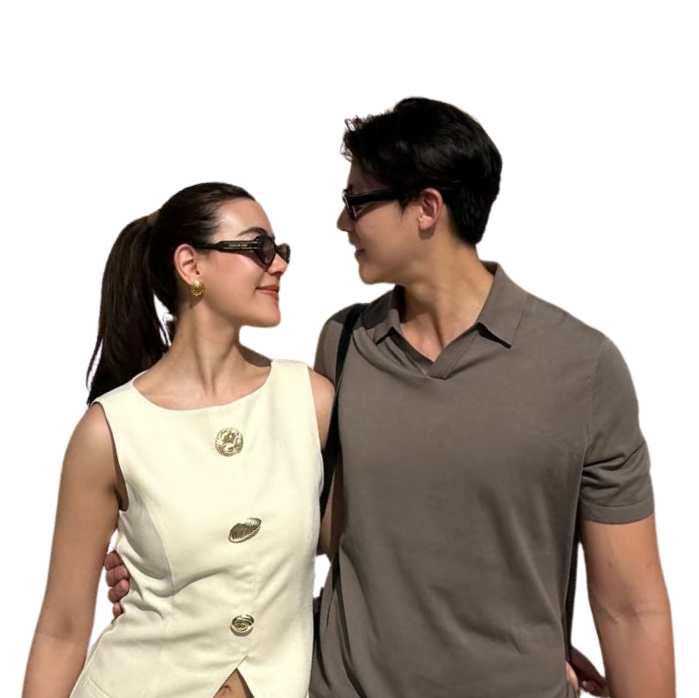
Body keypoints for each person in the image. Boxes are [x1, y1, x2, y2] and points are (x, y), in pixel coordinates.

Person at [103, 98, 675, 697]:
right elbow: (291, 517)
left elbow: (633, 608)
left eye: (356, 201)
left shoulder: (584, 366)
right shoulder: (342, 343)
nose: (340, 222)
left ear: (426, 209)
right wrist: (142, 547)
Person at [21, 181, 338, 698]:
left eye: (278, 248)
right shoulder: (108, 431)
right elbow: (61, 630)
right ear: (191, 266)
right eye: (258, 247)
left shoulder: (311, 399)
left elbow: (361, 548)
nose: (280, 264)